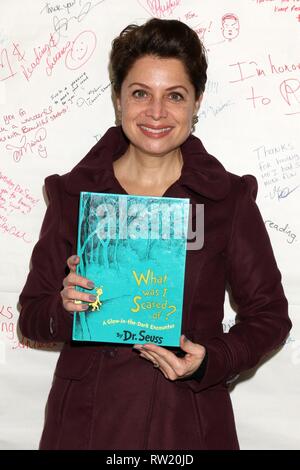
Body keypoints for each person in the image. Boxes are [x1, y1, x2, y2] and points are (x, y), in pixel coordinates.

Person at [19, 18, 292, 450]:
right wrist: (64, 306)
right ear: (118, 98)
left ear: (197, 102)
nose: (157, 112)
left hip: (186, 421)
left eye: (175, 96)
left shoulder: (227, 201)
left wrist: (211, 361)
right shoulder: (75, 195)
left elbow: (270, 317)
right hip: (86, 426)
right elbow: (32, 315)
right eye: (141, 93)